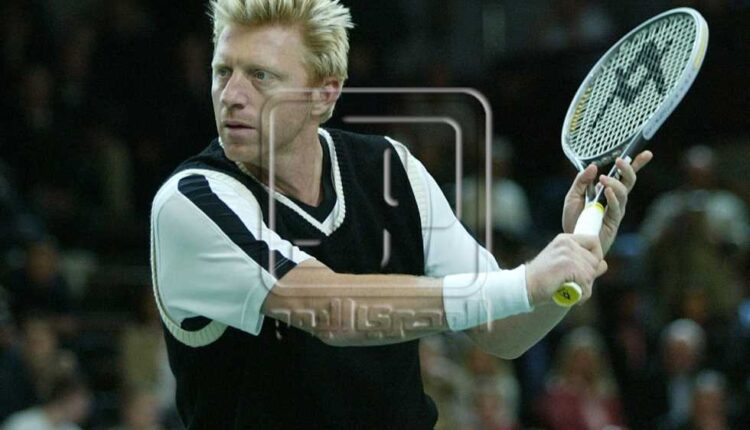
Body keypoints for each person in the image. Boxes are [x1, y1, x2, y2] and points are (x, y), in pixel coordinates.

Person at [149, 0, 652, 428]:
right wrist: (525, 281)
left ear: (325, 93)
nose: (231, 95)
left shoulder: (391, 170)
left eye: (260, 76)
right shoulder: (192, 202)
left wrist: (569, 264)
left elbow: (503, 331)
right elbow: (332, 310)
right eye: (223, 71)